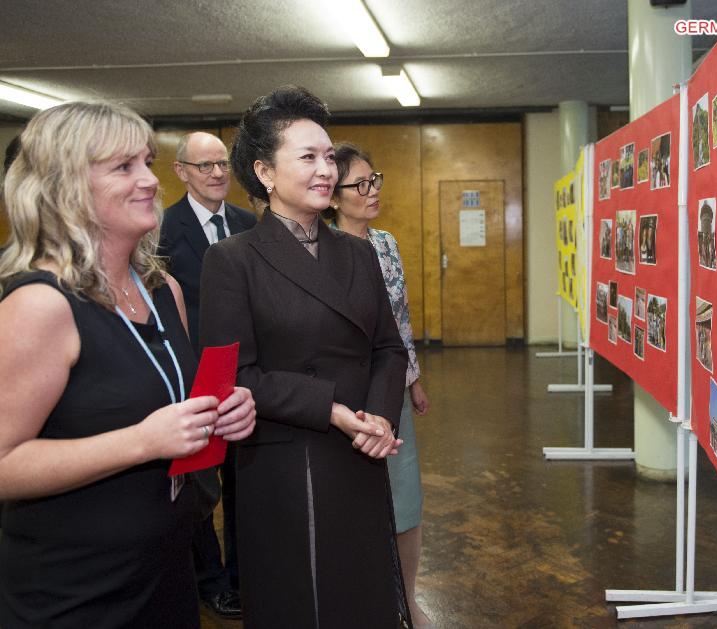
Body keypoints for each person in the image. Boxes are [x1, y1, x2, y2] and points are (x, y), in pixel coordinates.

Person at [0, 101, 256, 628]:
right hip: (75, 592)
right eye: (123, 167)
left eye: (145, 161)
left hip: (166, 570)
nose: (149, 181)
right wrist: (141, 441)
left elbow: (167, 404)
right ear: (63, 186)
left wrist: (222, 413)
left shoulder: (164, 291)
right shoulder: (39, 304)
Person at [199, 85, 411, 628]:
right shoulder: (232, 260)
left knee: (362, 596)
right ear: (265, 173)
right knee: (305, 601)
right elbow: (237, 376)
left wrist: (380, 416)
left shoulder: (358, 253)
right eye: (308, 157)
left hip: (361, 448)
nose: (327, 171)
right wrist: (335, 411)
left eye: (329, 158)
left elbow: (388, 347)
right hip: (287, 458)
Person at [328, 142, 432, 628]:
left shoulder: (387, 243)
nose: (372, 192)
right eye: (360, 185)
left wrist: (413, 380)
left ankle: (407, 598)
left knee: (405, 499)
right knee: (353, 504)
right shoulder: (321, 252)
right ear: (333, 196)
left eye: (376, 181)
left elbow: (401, 321)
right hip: (345, 400)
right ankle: (363, 599)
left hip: (392, 390)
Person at [159, 131, 256, 618]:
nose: (218, 174)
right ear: (181, 172)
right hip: (189, 382)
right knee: (198, 491)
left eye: (223, 164)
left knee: (242, 483)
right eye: (205, 166)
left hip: (240, 378)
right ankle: (210, 580)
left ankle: (240, 579)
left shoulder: (246, 223)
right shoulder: (161, 228)